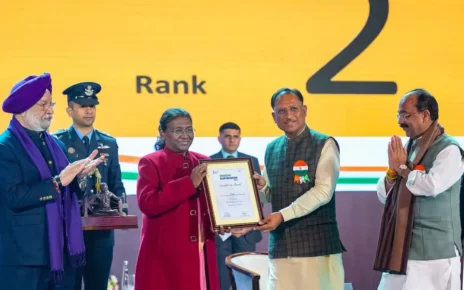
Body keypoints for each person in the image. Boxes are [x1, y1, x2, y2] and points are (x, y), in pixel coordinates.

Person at [0, 73, 103, 290]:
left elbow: (66, 188)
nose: (50, 110)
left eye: (51, 104)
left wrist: (79, 177)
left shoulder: (55, 144)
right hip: (24, 259)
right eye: (42, 105)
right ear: (22, 109)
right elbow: (13, 196)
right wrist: (57, 181)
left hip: (60, 253)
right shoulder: (5, 147)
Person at [253, 87, 345, 290]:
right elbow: (271, 196)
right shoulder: (272, 148)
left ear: (304, 110)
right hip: (281, 248)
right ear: (273, 116)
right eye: (282, 111)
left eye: (293, 109)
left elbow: (323, 192)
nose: (289, 115)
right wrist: (261, 188)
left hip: (316, 247)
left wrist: (282, 215)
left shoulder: (324, 143)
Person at [374, 89, 464, 290]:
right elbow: (384, 195)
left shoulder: (449, 150)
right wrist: (392, 171)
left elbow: (431, 186)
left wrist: (403, 168)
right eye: (398, 115)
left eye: (405, 115)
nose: (400, 121)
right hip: (403, 250)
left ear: (425, 115)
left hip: (437, 255)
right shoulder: (411, 147)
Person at [134, 108, 220, 290]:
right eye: (178, 130)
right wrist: (189, 183)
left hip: (202, 249)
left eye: (189, 129)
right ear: (162, 133)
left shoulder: (204, 161)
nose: (185, 135)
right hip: (165, 256)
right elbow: (148, 204)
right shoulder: (150, 162)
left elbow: (218, 203)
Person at [52, 81, 126, 290]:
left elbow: (116, 182)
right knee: (68, 285)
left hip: (101, 230)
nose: (89, 110)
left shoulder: (108, 143)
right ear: (69, 110)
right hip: (68, 228)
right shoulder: (57, 141)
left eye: (92, 106)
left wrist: (122, 211)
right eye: (83, 106)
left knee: (98, 285)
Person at [210, 121, 263, 290]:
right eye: (227, 136)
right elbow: (209, 199)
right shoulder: (208, 162)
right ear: (219, 138)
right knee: (222, 281)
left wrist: (251, 225)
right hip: (222, 232)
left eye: (235, 136)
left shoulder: (252, 161)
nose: (232, 140)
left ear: (240, 138)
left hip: (246, 232)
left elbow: (257, 196)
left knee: (246, 280)